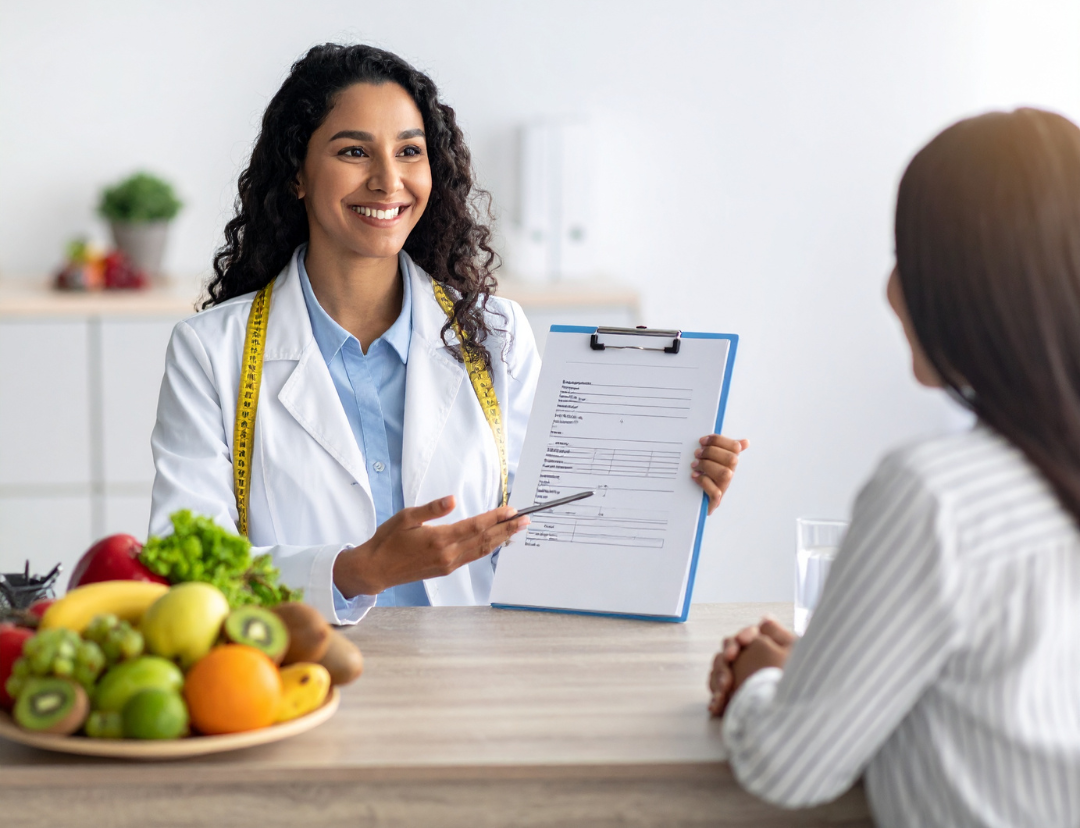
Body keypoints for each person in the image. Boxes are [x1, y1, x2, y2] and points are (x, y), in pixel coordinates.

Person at [149, 43, 747, 624]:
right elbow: (187, 571)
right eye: (354, 152)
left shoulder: (496, 334)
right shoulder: (212, 352)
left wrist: (668, 491)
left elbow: (548, 534)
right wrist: (352, 572)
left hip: (473, 681)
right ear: (297, 174)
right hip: (296, 682)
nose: (389, 181)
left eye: (409, 152)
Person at [708, 107, 1080, 827]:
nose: (889, 290)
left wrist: (761, 680)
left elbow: (788, 764)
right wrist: (826, 668)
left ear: (967, 284)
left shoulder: (936, 493)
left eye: (907, 257)